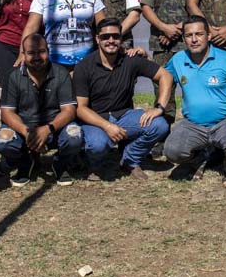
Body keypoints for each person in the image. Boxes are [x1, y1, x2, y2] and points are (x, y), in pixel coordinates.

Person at [73, 19, 172, 181]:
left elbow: (165, 76)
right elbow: (81, 108)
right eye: (105, 37)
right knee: (98, 144)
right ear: (97, 39)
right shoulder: (84, 67)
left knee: (159, 125)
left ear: (121, 38)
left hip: (124, 116)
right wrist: (107, 126)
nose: (111, 41)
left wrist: (159, 107)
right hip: (96, 119)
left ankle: (130, 160)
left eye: (115, 36)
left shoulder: (130, 59)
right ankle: (94, 164)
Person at [0, 33, 83, 186]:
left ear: (48, 51)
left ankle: (60, 164)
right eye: (31, 53)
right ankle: (25, 162)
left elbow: (69, 110)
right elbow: (7, 113)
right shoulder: (13, 76)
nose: (37, 57)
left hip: (53, 128)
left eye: (41, 51)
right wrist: (27, 132)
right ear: (23, 54)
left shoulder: (61, 73)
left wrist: (47, 129)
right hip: (24, 129)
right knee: (3, 140)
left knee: (75, 135)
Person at [163, 16, 226, 178]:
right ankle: (200, 158)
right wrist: (138, 56)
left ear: (209, 36)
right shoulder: (178, 60)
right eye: (189, 35)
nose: (194, 40)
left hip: (224, 123)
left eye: (199, 34)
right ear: (184, 38)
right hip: (193, 124)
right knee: (172, 151)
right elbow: (160, 76)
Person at [21, 0, 106, 71]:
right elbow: (31, 27)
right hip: (54, 62)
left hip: (86, 61)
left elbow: (103, 26)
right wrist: (22, 53)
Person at [140, 0, 189, 123]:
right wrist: (163, 28)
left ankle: (191, 137)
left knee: (191, 90)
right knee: (162, 90)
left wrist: (175, 30)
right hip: (161, 45)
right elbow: (146, 7)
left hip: (187, 44)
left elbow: (199, 9)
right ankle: (163, 135)